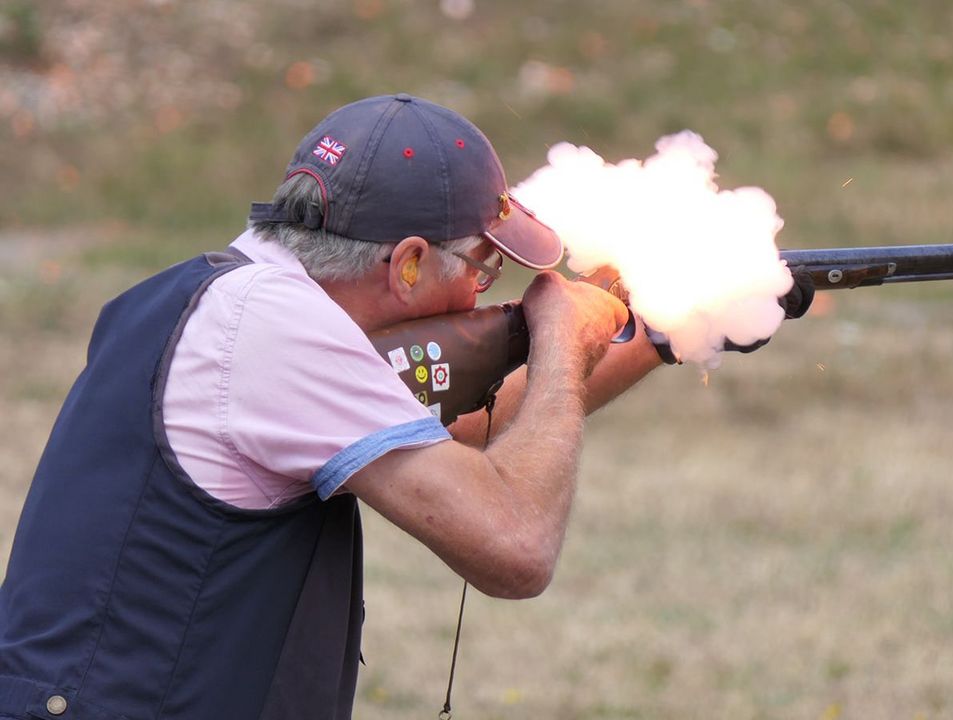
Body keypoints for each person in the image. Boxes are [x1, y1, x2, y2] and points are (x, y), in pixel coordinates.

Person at [0, 94, 662, 720]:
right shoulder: (273, 328)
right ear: (407, 265)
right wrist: (559, 341)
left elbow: (456, 436)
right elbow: (515, 545)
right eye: (481, 268)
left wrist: (660, 335)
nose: (483, 291)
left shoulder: (225, 296)